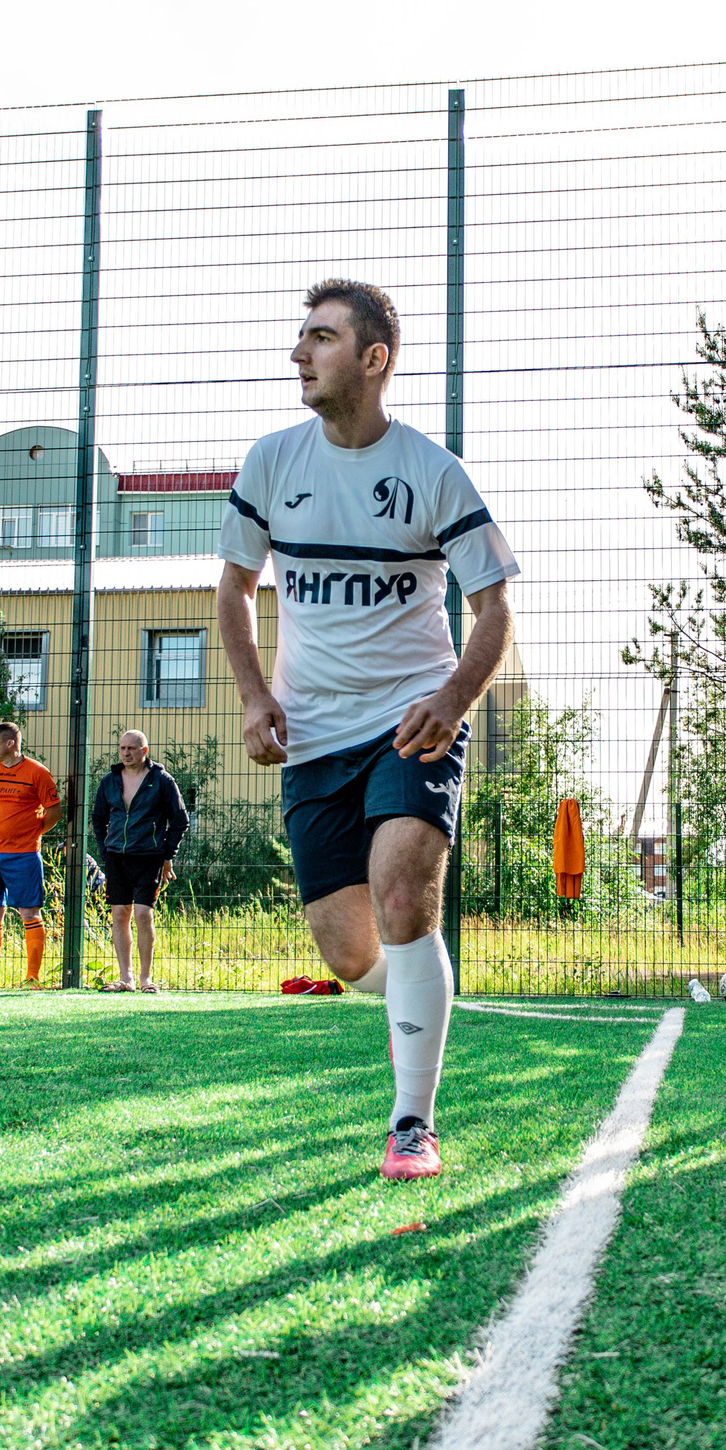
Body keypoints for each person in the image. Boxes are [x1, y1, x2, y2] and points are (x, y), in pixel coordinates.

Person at [216, 278, 520, 1181]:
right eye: (301, 337)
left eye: (320, 337)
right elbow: (233, 591)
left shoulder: (433, 471)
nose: (299, 354)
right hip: (311, 734)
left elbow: (496, 606)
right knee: (352, 952)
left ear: (373, 358)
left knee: (400, 895)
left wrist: (455, 700)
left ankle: (412, 1121)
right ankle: (427, 999)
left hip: (410, 723)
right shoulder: (271, 463)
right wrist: (252, 695)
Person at [90, 728, 187, 992]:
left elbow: (180, 820)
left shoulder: (162, 781)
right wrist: (104, 849)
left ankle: (146, 978)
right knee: (119, 914)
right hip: (116, 856)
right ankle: (126, 978)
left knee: (143, 914)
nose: (125, 753)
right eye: (122, 748)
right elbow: (98, 818)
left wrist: (168, 855)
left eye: (131, 748)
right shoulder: (110, 781)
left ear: (144, 751)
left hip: (149, 857)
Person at [0, 721, 60, 989]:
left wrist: (31, 832)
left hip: (24, 855)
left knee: (30, 913)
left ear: (10, 744)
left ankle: (33, 977)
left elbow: (54, 811)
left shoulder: (37, 773)